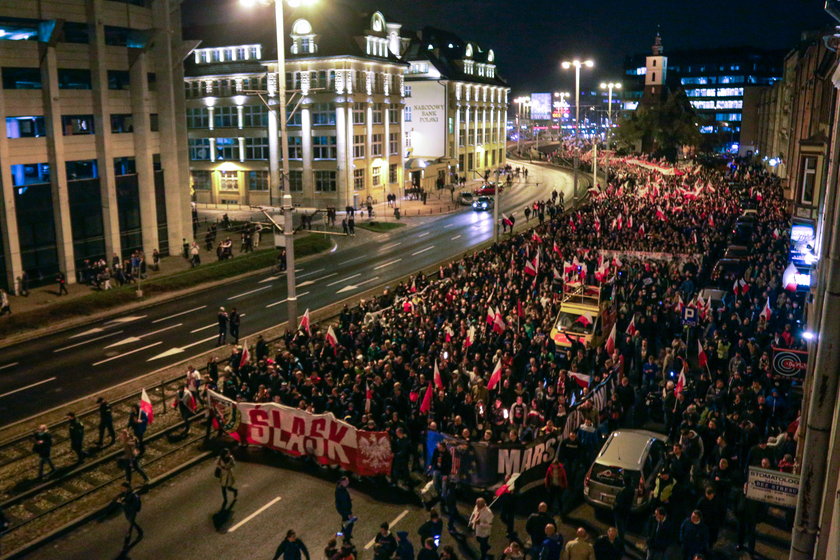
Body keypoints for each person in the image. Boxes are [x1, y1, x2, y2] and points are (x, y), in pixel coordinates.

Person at [116, 482, 143, 549]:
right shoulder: (126, 494)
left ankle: (127, 542)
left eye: (123, 488)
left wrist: (124, 503)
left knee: (130, 526)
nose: (122, 489)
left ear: (128, 488)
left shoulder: (133, 495)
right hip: (127, 511)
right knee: (131, 523)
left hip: (132, 512)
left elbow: (134, 505)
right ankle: (140, 531)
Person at [335, 476, 356, 542]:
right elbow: (344, 504)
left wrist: (349, 499)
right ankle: (346, 537)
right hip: (344, 510)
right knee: (350, 523)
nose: (348, 482)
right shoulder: (342, 491)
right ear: (342, 482)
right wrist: (349, 513)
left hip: (342, 509)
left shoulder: (340, 488)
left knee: (345, 521)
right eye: (346, 481)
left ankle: (340, 533)